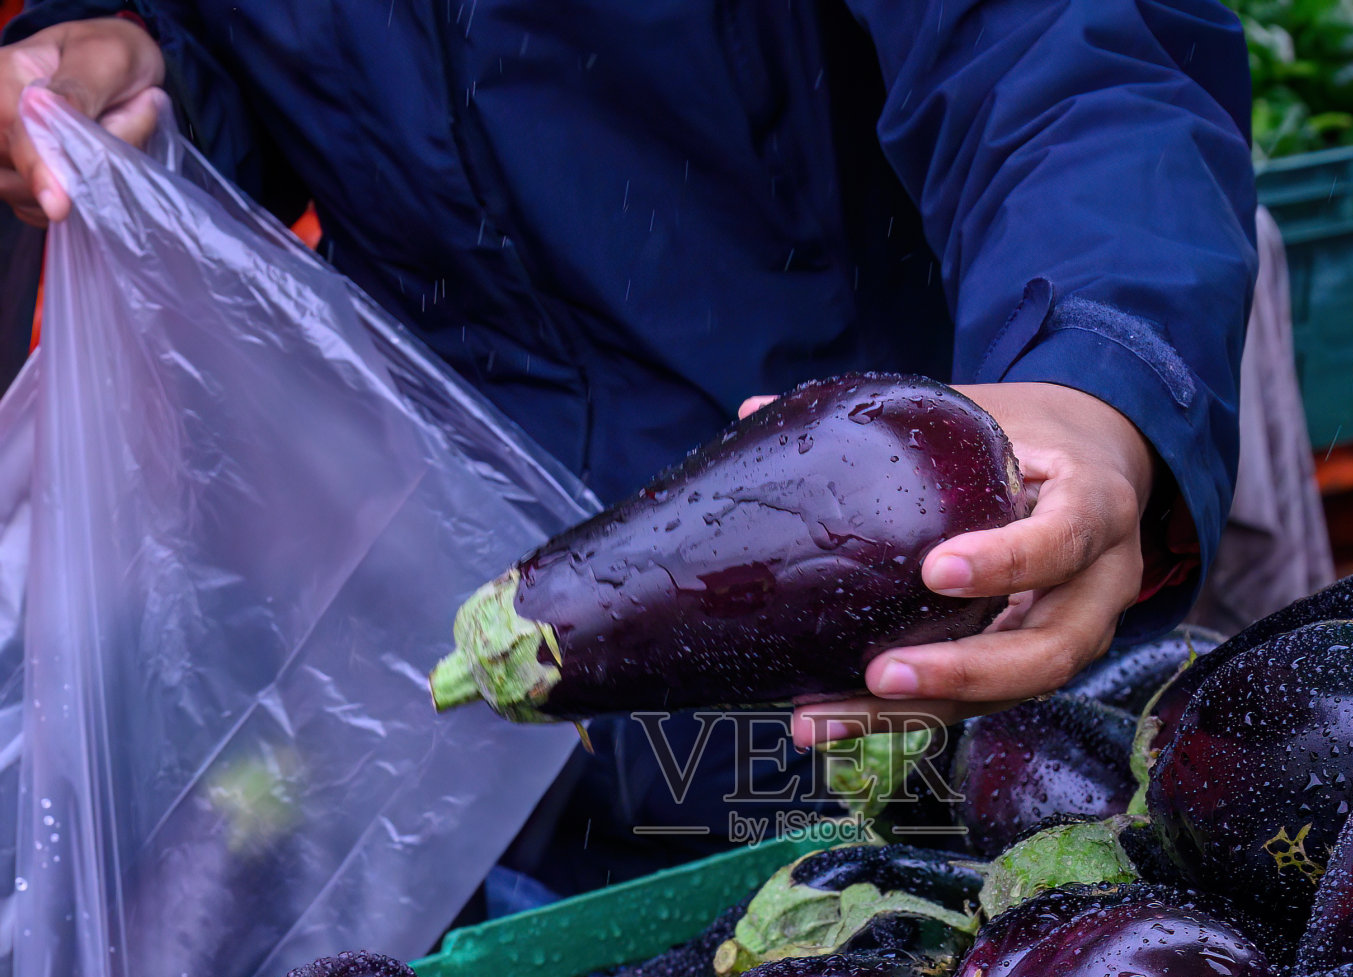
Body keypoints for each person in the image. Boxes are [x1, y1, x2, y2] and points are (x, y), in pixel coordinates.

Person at [0, 1, 1257, 890]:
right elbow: (273, 64)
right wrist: (147, 57)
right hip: (463, 631)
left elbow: (1067, 59)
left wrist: (1096, 372)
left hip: (874, 601)